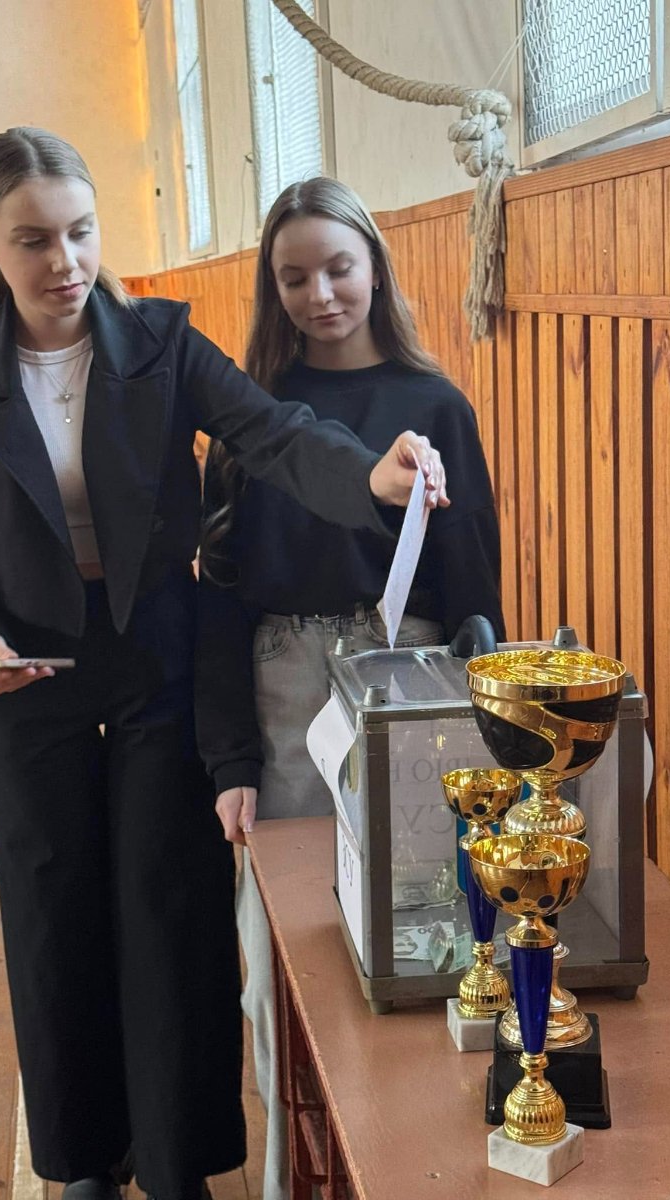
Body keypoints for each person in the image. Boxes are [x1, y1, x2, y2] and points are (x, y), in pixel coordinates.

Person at [0, 130, 451, 1200]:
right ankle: (84, 1162)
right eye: (34, 240)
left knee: (167, 904)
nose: (65, 260)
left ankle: (176, 1158)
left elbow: (275, 433)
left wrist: (369, 478)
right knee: (51, 913)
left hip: (156, 653)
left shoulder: (161, 342)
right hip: (31, 672)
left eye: (81, 231)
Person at [195, 177, 504, 1200]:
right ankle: (293, 1176)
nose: (319, 294)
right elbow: (220, 602)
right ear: (271, 288)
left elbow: (474, 591)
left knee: (421, 942)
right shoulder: (250, 420)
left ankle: (413, 1167)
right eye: (294, 277)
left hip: (410, 689)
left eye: (338, 268)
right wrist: (232, 760)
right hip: (286, 700)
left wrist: (483, 723)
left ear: (375, 264)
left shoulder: (436, 405)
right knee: (284, 960)